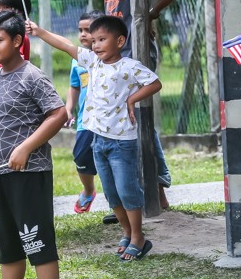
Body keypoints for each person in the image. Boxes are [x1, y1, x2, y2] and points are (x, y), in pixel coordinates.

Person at [87, 0, 193, 214]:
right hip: (112, 55)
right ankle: (143, 195)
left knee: (137, 118)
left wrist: (150, 12)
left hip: (136, 51)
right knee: (126, 120)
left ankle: (153, 193)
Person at [28, 15, 163, 261]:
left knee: (127, 190)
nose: (96, 45)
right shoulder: (92, 62)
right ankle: (126, 233)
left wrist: (132, 99)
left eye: (102, 39)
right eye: (94, 40)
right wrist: (39, 31)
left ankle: (138, 237)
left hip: (122, 142)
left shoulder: (129, 67)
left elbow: (154, 83)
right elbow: (65, 45)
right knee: (111, 193)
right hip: (97, 140)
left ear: (120, 41)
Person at [0, 11, 67, 279]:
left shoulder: (32, 76)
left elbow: (58, 114)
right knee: (8, 240)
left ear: (17, 41)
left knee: (35, 237)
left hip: (30, 172)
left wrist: (26, 147)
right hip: (0, 172)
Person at [67, 10, 105, 213]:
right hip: (85, 120)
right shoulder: (77, 60)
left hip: (107, 120)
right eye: (80, 30)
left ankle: (114, 200)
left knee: (109, 160)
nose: (83, 35)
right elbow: (74, 86)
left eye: (88, 30)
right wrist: (69, 108)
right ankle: (88, 190)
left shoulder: (109, 58)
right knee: (81, 156)